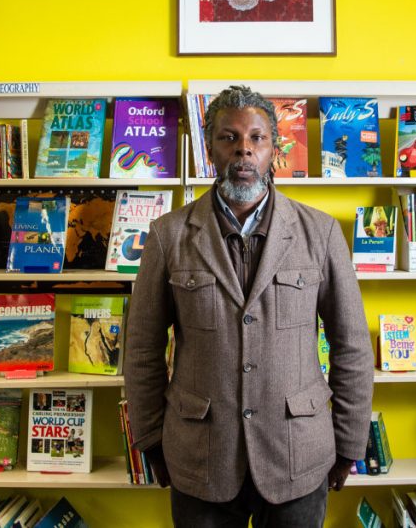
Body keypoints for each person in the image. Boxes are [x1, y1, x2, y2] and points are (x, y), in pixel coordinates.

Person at [124, 85, 374, 528]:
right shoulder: (167, 235)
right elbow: (142, 348)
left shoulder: (321, 233)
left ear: (274, 148)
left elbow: (351, 344)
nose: (244, 150)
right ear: (210, 149)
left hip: (298, 453)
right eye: (229, 137)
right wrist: (150, 441)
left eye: (257, 138)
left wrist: (350, 444)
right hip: (200, 457)